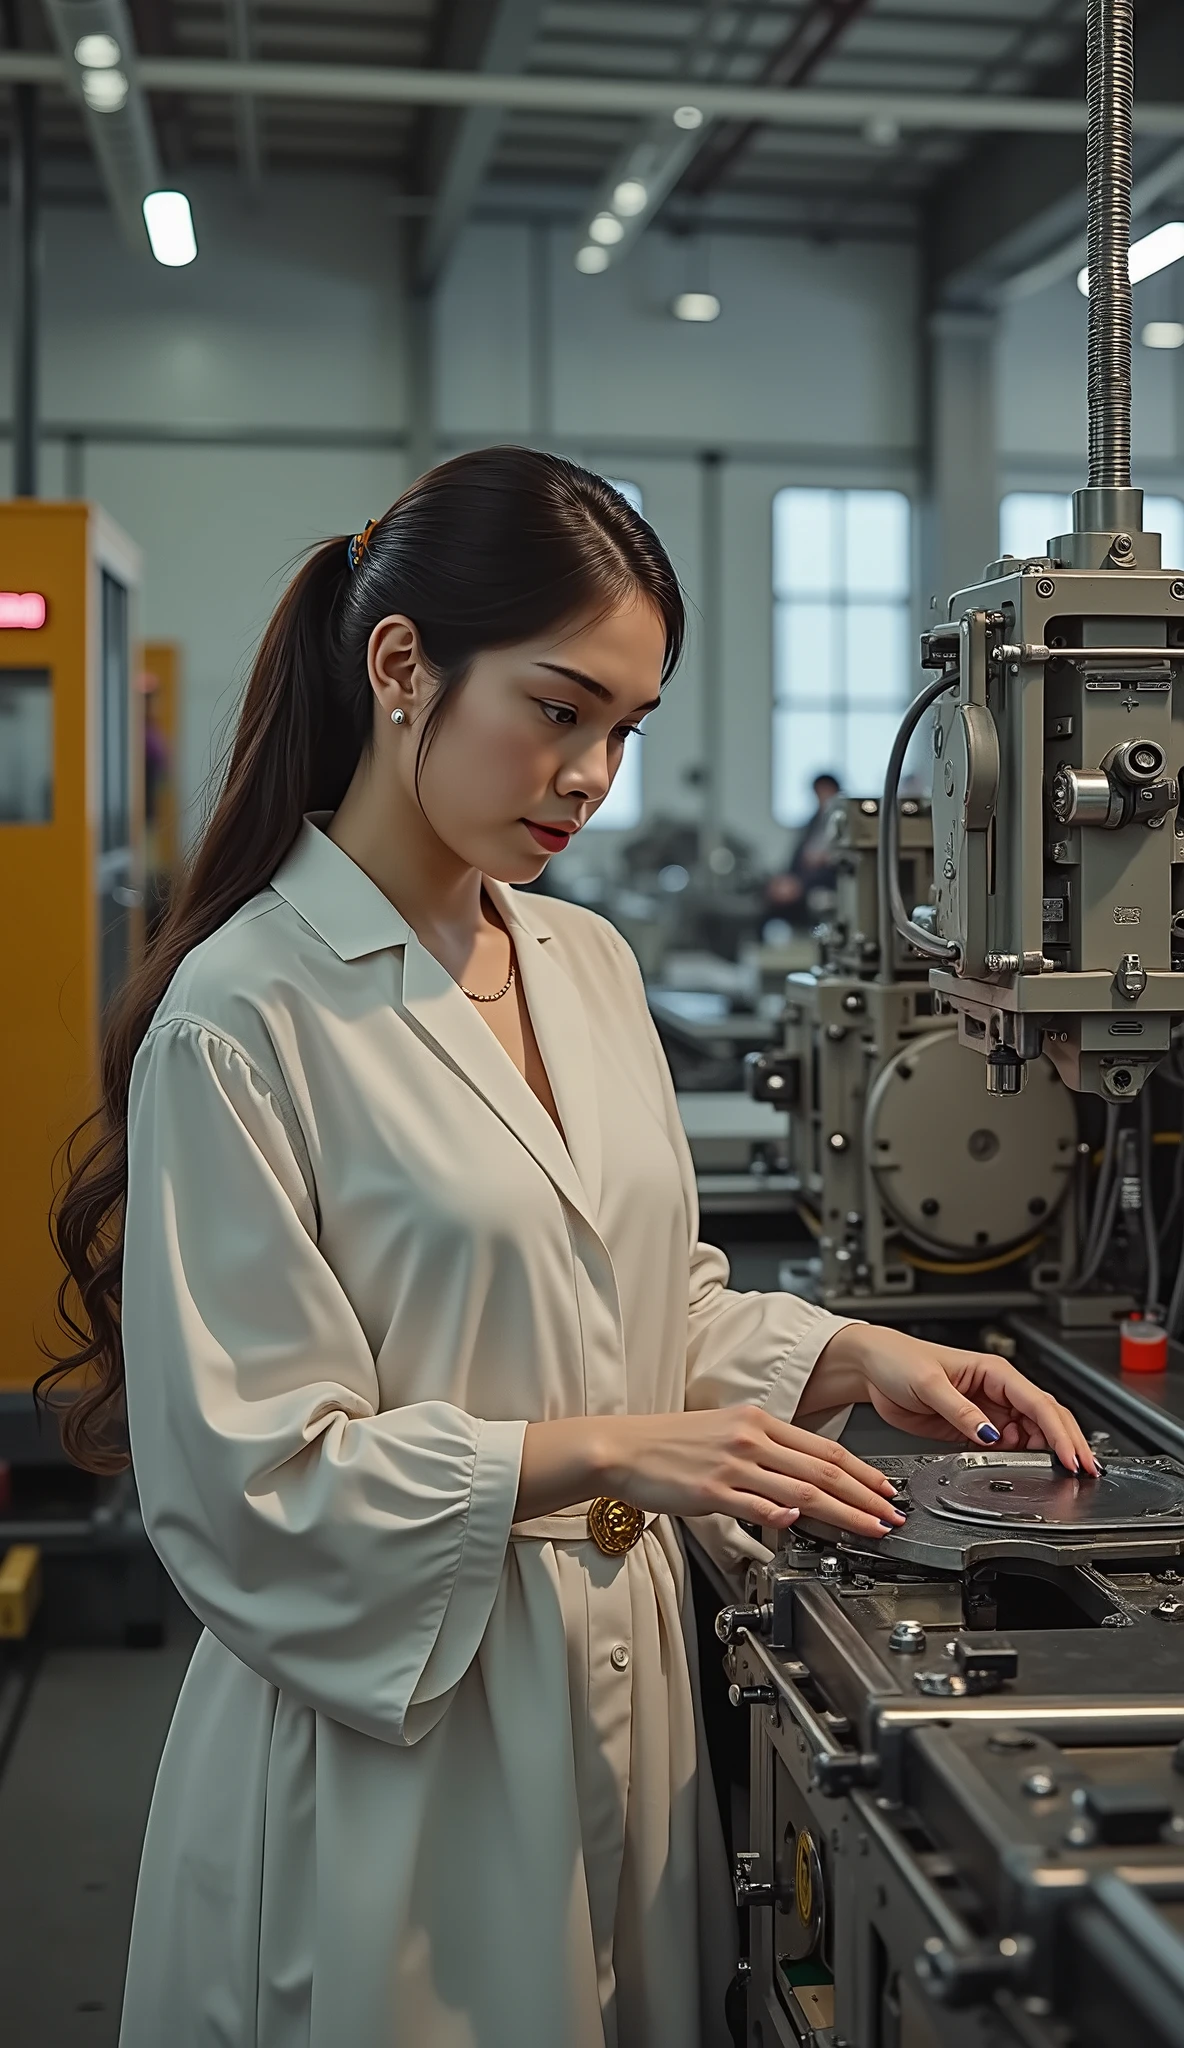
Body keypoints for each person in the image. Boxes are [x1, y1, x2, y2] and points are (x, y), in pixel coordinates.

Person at [42, 449, 1097, 2048]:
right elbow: (252, 1480)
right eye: (558, 708)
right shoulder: (251, 1015)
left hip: (620, 1704)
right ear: (403, 668)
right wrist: (605, 1452)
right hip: (395, 1745)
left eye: (626, 728)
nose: (593, 773)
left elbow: (636, 1301)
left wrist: (842, 1352)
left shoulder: (584, 965)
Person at [767, 769, 841, 927]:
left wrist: (801, 886)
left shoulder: (842, 824)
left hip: (823, 882)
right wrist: (786, 879)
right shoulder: (812, 823)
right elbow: (796, 857)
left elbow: (837, 864)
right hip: (801, 879)